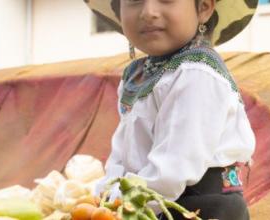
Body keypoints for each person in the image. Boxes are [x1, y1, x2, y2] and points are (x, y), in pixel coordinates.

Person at [84, 0, 258, 219]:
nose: (148, 12)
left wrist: (118, 205)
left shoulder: (197, 72)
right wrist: (104, 195)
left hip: (200, 207)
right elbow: (122, 155)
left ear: (203, 7)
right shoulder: (138, 75)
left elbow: (174, 168)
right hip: (148, 202)